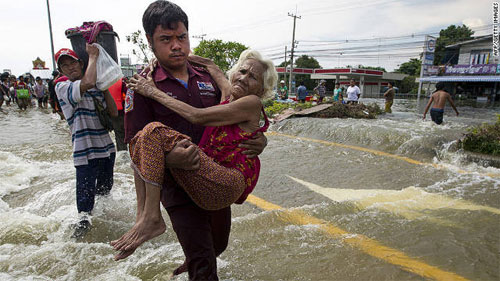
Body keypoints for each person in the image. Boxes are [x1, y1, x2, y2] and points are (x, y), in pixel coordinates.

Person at [120, 1, 268, 279]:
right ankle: (190, 251)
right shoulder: (143, 85)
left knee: (217, 247)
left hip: (215, 175)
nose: (176, 45)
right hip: (177, 187)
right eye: (166, 39)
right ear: (151, 44)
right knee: (204, 264)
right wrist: (167, 158)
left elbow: (240, 117)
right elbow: (134, 145)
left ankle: (197, 254)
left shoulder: (209, 77)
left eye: (182, 37)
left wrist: (261, 141)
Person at [54, 45, 118, 238]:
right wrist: (93, 56)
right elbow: (87, 82)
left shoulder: (95, 86)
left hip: (107, 149)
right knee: (84, 210)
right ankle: (79, 241)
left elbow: (114, 112)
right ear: (61, 71)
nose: (70, 67)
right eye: (65, 65)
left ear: (80, 63)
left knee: (104, 195)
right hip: (85, 153)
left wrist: (105, 86)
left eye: (72, 62)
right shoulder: (63, 87)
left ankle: (104, 231)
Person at [108, 78, 128, 151]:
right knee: (120, 135)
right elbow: (128, 96)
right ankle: (123, 156)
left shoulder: (102, 82)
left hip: (106, 113)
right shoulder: (122, 82)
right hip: (119, 113)